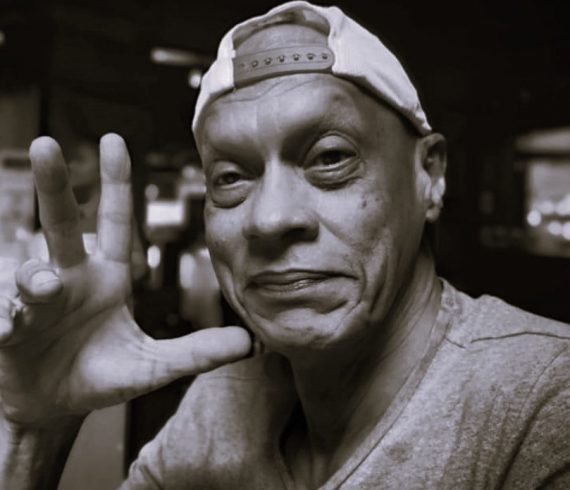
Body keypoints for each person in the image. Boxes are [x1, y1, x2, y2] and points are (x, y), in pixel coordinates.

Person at [0, 2, 568, 488]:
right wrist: (37, 432)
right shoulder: (220, 403)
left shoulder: (541, 398)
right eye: (230, 177)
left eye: (330, 158)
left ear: (430, 176)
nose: (270, 219)